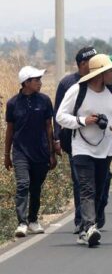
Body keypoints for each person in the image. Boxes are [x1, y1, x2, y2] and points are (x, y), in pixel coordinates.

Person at [56, 54, 112, 247]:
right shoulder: (77, 90)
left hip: (105, 149)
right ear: (100, 74)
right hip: (82, 147)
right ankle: (88, 227)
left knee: (100, 188)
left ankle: (87, 228)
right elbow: (60, 116)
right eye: (109, 71)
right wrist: (82, 121)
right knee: (86, 188)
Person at [4, 66, 57, 238]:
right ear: (26, 82)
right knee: (23, 184)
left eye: (40, 80)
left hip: (41, 151)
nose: (40, 83)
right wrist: (6, 154)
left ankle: (33, 220)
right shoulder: (13, 103)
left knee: (35, 187)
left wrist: (51, 153)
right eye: (36, 80)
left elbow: (49, 127)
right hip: (20, 151)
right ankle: (21, 223)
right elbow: (10, 130)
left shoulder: (44, 101)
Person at [53, 46, 97, 234]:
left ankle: (95, 215)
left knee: (99, 180)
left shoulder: (99, 81)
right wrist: (55, 138)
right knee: (80, 181)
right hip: (73, 140)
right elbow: (58, 113)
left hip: (97, 141)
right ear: (82, 64)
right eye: (91, 61)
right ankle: (82, 220)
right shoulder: (67, 84)